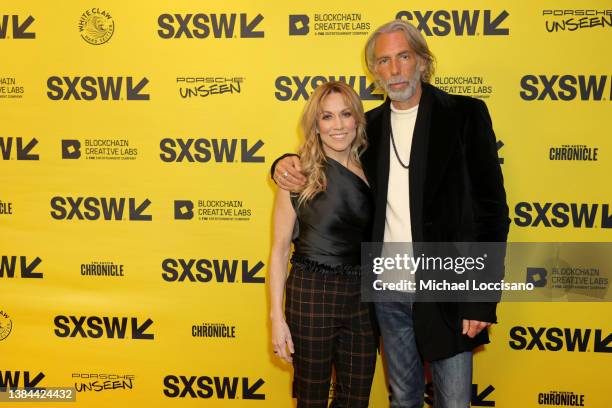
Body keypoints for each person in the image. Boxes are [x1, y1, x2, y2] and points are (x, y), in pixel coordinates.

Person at [272, 20, 510, 408]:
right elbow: (326, 160)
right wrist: (283, 164)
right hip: (384, 291)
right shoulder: (369, 128)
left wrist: (481, 297)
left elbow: (492, 212)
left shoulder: (465, 114)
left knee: (453, 401)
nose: (395, 69)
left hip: (446, 287)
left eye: (403, 57)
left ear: (422, 61)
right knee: (403, 398)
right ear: (374, 71)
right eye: (384, 61)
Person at [269, 81, 377, 408]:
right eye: (327, 117)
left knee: (355, 399)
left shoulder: (376, 169)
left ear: (357, 119)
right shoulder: (296, 174)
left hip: (364, 296)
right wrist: (276, 317)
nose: (338, 125)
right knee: (311, 399)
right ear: (315, 125)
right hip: (311, 292)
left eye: (346, 114)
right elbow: (278, 250)